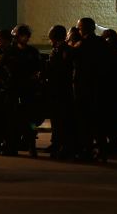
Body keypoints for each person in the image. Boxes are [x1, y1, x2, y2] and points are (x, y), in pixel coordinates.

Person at [73, 17, 112, 162]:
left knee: (86, 122)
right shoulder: (102, 43)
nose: (78, 29)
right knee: (98, 123)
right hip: (99, 88)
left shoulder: (82, 44)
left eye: (79, 27)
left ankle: (88, 151)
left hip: (85, 88)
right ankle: (102, 150)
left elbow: (71, 58)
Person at [10, 24, 42, 157]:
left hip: (29, 90)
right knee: (14, 118)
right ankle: (14, 145)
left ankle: (31, 145)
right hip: (14, 89)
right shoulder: (11, 51)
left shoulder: (32, 52)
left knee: (31, 121)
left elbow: (39, 69)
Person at [45, 25, 75, 159]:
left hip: (62, 90)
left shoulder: (63, 50)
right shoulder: (60, 49)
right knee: (58, 120)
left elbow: (61, 70)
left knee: (61, 120)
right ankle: (57, 143)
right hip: (59, 90)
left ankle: (63, 146)